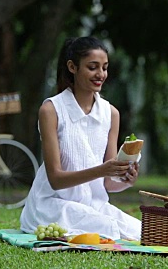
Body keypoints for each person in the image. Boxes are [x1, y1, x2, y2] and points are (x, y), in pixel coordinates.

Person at [20, 36, 141, 240]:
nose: (100, 74)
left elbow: (108, 183)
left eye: (104, 67)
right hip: (53, 205)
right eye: (93, 67)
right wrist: (102, 170)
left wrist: (126, 180)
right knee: (110, 229)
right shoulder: (51, 110)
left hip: (94, 206)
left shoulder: (111, 113)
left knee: (141, 230)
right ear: (72, 67)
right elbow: (56, 180)